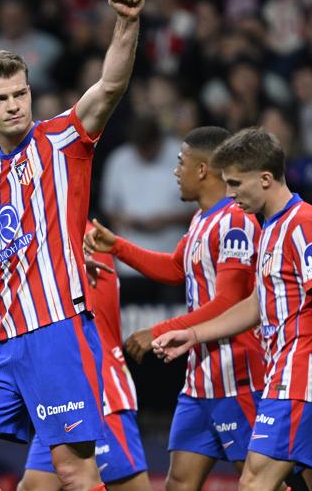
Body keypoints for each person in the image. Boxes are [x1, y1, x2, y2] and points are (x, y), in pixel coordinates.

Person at [0, 0, 146, 491]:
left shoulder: (63, 140)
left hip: (57, 330)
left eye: (21, 94)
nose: (14, 106)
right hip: (0, 340)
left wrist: (127, 23)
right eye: (1, 99)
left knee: (75, 470)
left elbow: (109, 86)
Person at [152, 127, 312, 491]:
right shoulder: (271, 227)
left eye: (235, 183)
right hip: (291, 375)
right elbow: (257, 304)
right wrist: (193, 335)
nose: (229, 193)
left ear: (264, 179)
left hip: (301, 379)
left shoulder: (304, 225)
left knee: (254, 482)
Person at [86, 127, 266, 490]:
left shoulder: (235, 222)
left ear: (202, 170)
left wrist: (159, 330)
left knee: (261, 483)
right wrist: (116, 246)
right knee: (179, 484)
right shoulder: (202, 219)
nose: (175, 171)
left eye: (181, 162)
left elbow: (228, 304)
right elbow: (173, 267)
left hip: (236, 377)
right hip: (200, 381)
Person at [19, 223, 151, 491]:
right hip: (60, 394)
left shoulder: (85, 237)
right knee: (33, 487)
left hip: (100, 392)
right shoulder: (43, 233)